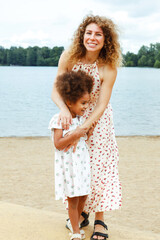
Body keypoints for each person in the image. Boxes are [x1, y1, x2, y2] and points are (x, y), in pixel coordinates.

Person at [51, 14, 122, 240]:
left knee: (100, 168)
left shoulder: (108, 65)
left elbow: (103, 102)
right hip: (73, 115)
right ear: (82, 35)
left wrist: (87, 127)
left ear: (106, 39)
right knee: (77, 167)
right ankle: (81, 213)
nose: (92, 38)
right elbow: (55, 90)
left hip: (99, 122)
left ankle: (100, 219)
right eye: (89, 33)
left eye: (98, 34)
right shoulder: (69, 57)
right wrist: (64, 110)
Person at [49, 70, 96, 240]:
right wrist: (75, 134)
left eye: (87, 103)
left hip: (81, 163)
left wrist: (86, 130)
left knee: (83, 194)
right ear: (69, 102)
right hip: (68, 165)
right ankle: (75, 231)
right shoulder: (59, 119)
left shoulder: (80, 119)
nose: (86, 106)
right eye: (83, 103)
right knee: (73, 198)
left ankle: (74, 221)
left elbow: (84, 135)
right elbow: (58, 144)